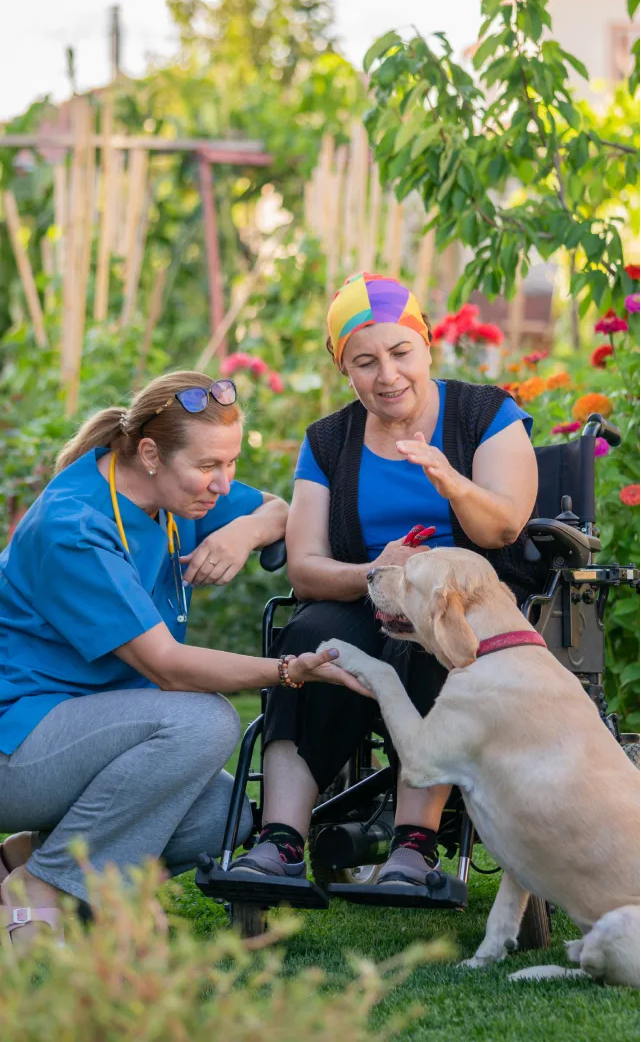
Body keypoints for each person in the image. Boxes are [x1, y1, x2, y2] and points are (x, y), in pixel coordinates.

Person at [0, 370, 366, 951]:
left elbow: (280, 508)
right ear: (149, 453)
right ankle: (43, 890)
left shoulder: (177, 494)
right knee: (205, 719)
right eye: (208, 467)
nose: (222, 484)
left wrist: (241, 532)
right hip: (19, 747)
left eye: (231, 463)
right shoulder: (74, 525)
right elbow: (168, 668)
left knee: (228, 819)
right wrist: (286, 669)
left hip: (97, 739)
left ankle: (27, 856)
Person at [231, 272, 541, 890]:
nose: (388, 374)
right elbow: (306, 565)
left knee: (438, 640)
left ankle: (414, 844)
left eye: (401, 352)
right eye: (364, 361)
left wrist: (448, 480)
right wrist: (377, 572)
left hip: (462, 598)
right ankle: (281, 841)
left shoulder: (486, 413)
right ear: (343, 368)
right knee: (311, 639)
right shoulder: (327, 441)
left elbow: (504, 528)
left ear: (426, 344)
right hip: (368, 592)